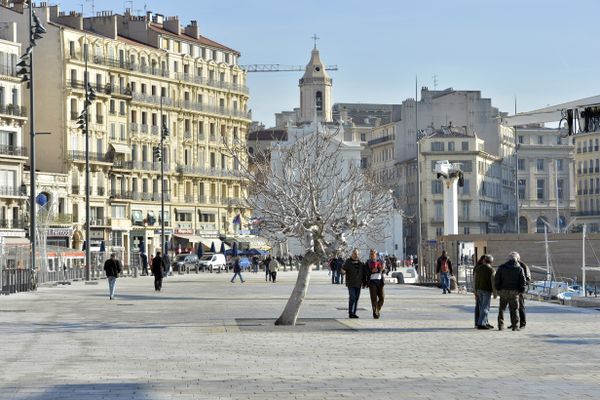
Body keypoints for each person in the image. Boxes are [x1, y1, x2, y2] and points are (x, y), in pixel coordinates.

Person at [494, 251, 526, 331]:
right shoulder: (519, 268)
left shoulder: (501, 267)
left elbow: (497, 279)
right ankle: (515, 326)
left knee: (502, 309)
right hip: (514, 291)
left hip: (503, 290)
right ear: (517, 259)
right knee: (514, 309)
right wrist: (521, 290)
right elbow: (523, 281)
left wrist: (498, 288)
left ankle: (500, 325)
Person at [341, 248, 367, 319]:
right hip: (351, 283)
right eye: (355, 253)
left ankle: (353, 313)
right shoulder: (348, 262)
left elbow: (363, 274)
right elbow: (343, 269)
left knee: (356, 298)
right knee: (352, 297)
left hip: (358, 284)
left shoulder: (360, 263)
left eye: (357, 254)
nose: (356, 255)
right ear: (352, 254)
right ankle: (351, 312)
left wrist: (364, 283)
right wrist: (343, 271)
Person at [473, 254, 496, 330]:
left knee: (480, 307)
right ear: (491, 261)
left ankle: (485, 322)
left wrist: (475, 291)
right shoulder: (491, 270)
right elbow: (493, 283)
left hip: (478, 290)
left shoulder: (478, 268)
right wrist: (495, 294)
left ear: (484, 260)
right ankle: (481, 324)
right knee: (485, 308)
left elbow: (475, 281)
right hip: (486, 290)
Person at [366, 249, 385, 319]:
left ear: (376, 254)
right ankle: (375, 313)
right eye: (371, 254)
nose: (372, 255)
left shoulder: (381, 261)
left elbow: (385, 270)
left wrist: (383, 269)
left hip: (380, 281)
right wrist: (371, 271)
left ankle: (377, 309)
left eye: (373, 253)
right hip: (372, 282)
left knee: (382, 298)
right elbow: (366, 272)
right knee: (374, 298)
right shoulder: (368, 262)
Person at [513, 259, 531, 330]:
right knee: (513, 307)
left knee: (521, 306)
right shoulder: (512, 265)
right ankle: (514, 323)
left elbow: (527, 278)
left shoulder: (523, 266)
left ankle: (522, 323)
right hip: (512, 289)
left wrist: (522, 288)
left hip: (519, 289)